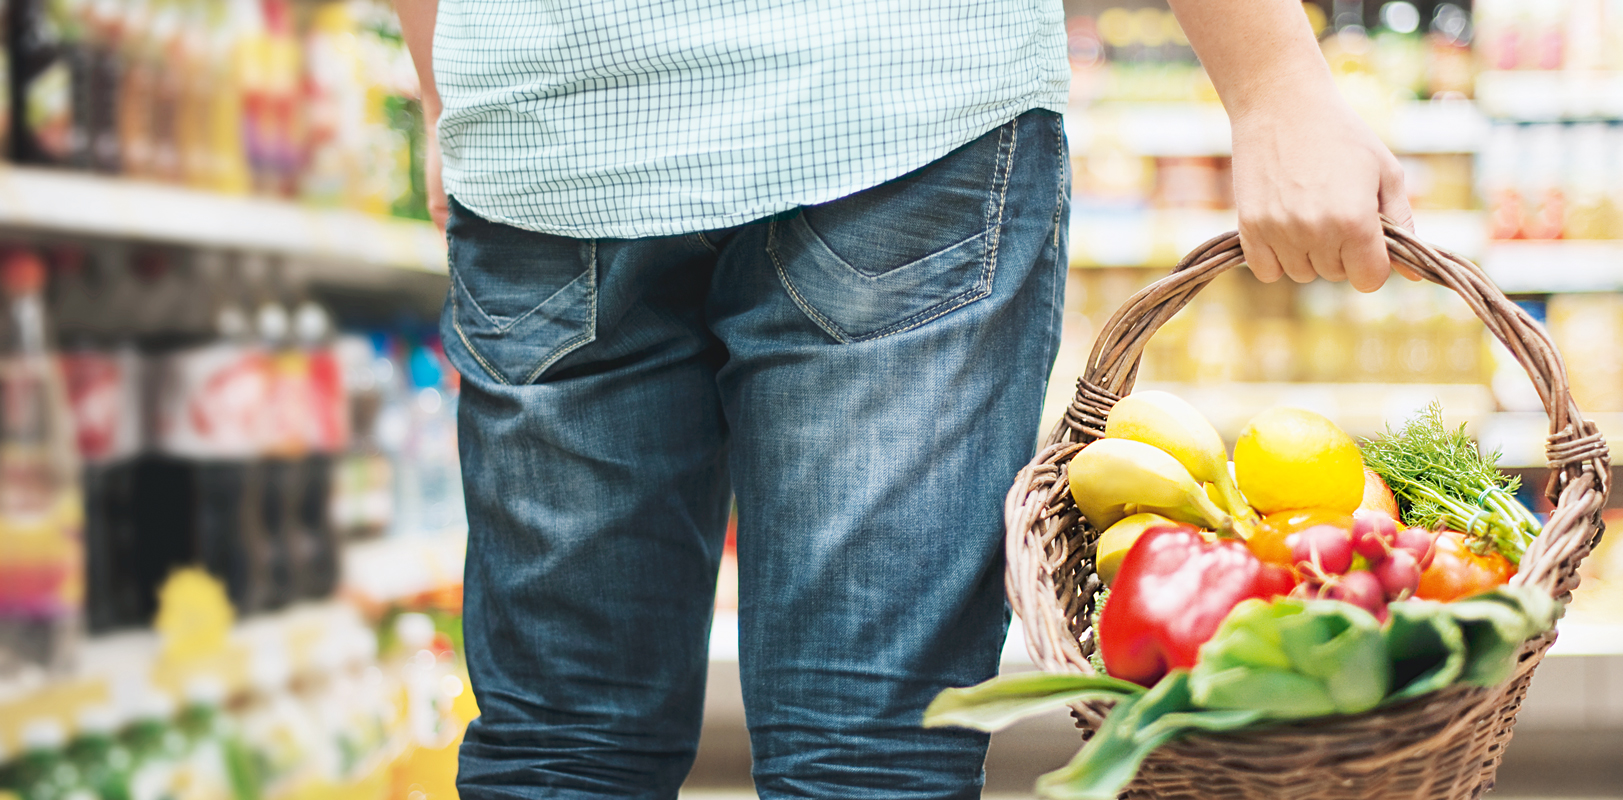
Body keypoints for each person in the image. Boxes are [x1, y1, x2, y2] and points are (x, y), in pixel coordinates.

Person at [392, 1, 1414, 797]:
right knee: (862, 754)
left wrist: (445, 77)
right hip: (889, 107)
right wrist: (1273, 77)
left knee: (561, 750)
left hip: (544, 128)